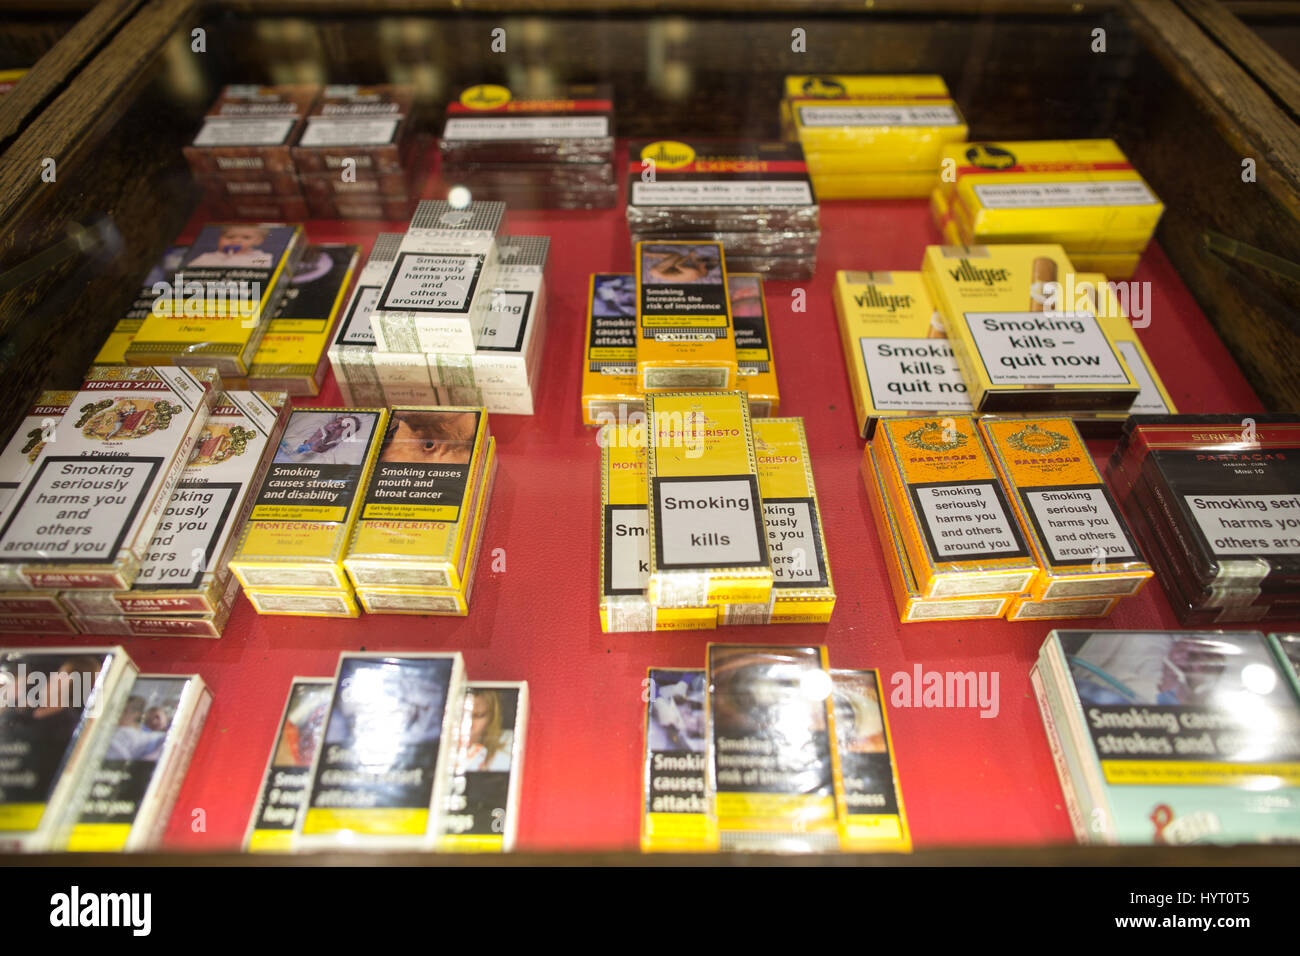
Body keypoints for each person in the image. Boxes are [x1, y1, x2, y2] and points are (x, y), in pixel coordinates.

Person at [461, 689, 512, 772]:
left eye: (478, 715)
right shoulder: (437, 746)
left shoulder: (510, 744)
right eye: (461, 715)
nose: (469, 724)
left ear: (492, 717)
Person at [188, 226, 274, 268]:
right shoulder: (206, 258)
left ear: (259, 240)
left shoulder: (262, 258)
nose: (236, 241)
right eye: (230, 237)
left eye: (246, 237)